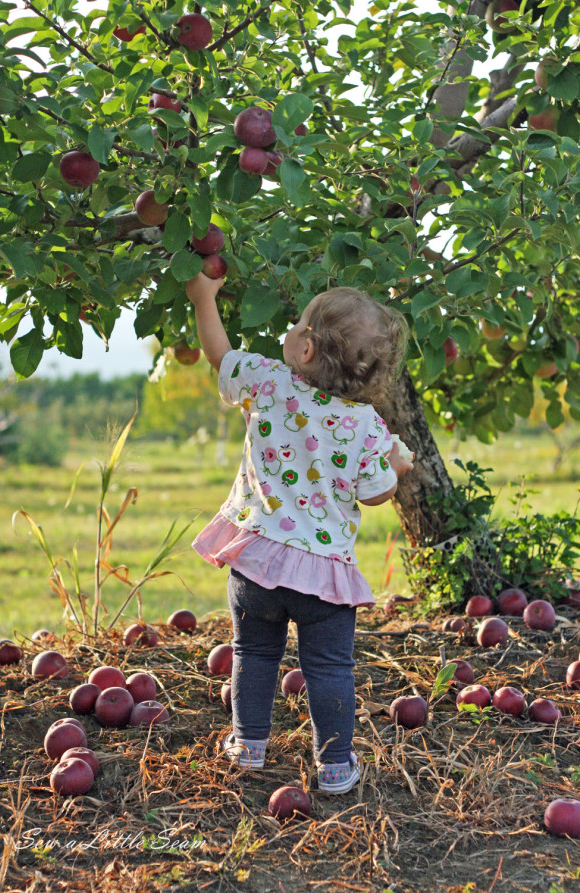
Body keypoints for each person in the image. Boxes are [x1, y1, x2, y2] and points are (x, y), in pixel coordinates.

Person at [186, 271, 413, 794]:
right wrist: (397, 467)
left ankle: (248, 746)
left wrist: (204, 298)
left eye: (295, 325)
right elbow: (374, 493)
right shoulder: (367, 425)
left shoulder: (269, 382)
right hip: (322, 576)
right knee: (330, 667)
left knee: (254, 653)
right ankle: (334, 767)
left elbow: (220, 355)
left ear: (305, 348)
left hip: (258, 561)